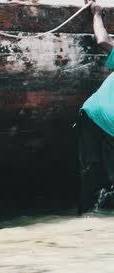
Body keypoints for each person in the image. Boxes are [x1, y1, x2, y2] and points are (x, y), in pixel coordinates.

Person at [78, 0, 114, 213]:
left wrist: (96, 13)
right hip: (105, 123)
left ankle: (85, 218)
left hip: (92, 115)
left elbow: (102, 40)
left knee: (90, 173)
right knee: (106, 180)